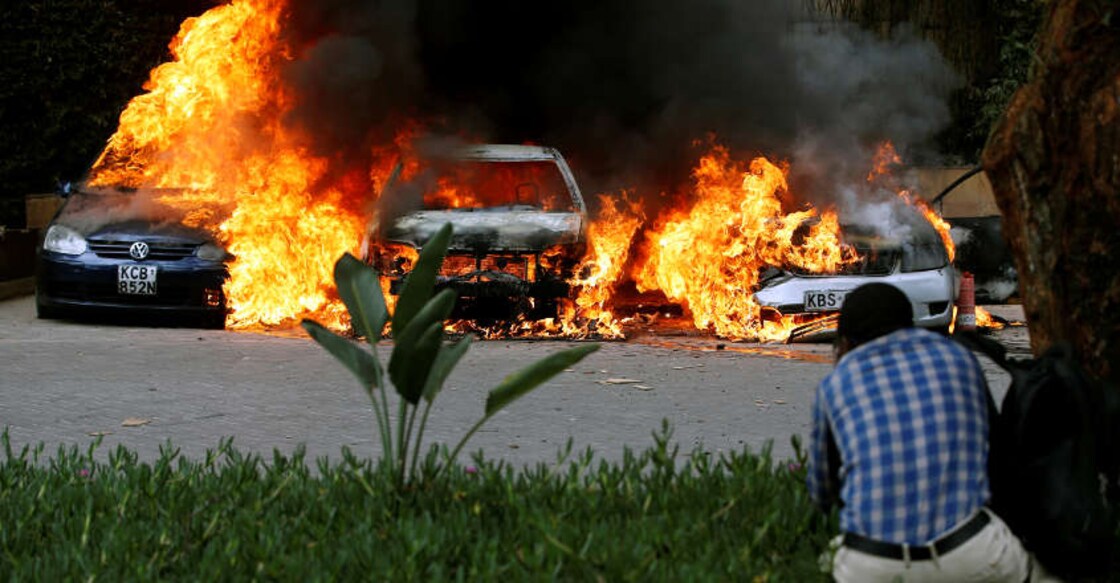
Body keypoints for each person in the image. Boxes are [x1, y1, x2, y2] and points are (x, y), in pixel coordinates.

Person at [806, 282, 1030, 582]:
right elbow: (999, 456)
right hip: (969, 553)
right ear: (909, 326)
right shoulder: (959, 358)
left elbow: (822, 494)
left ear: (844, 343)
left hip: (874, 564)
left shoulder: (835, 386)